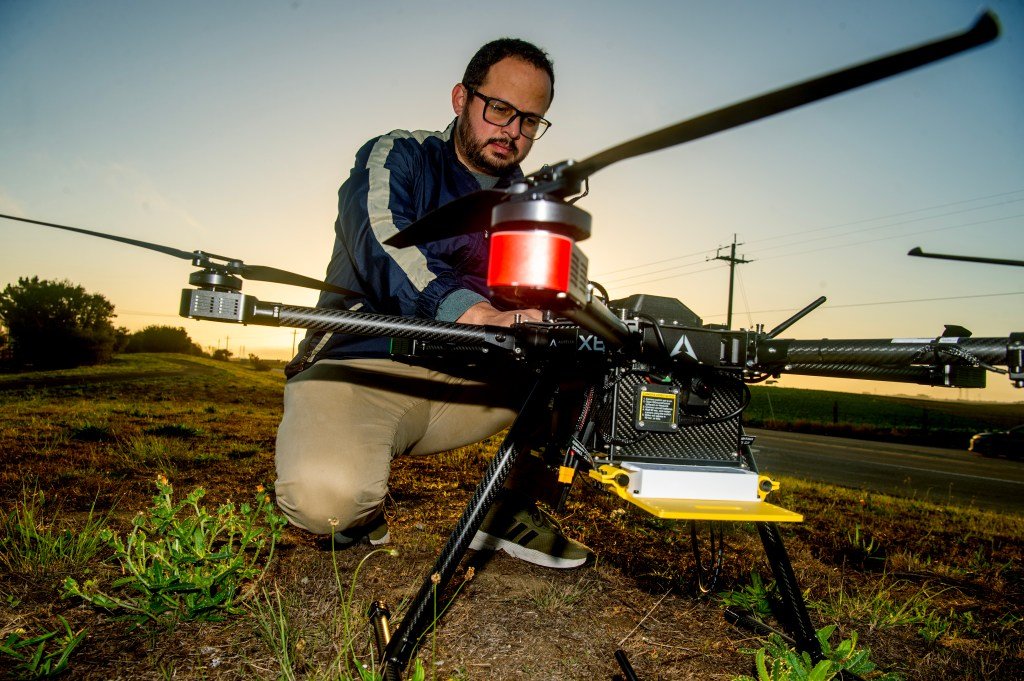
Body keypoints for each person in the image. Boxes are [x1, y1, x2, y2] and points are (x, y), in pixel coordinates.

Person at [275, 38, 591, 569]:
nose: (512, 131)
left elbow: (547, 297)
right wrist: (475, 312)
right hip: (365, 363)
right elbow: (380, 241)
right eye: (499, 109)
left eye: (530, 120)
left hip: (469, 381)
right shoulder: (399, 154)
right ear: (461, 98)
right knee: (327, 503)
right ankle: (360, 512)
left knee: (588, 353)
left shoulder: (534, 206)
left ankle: (510, 507)